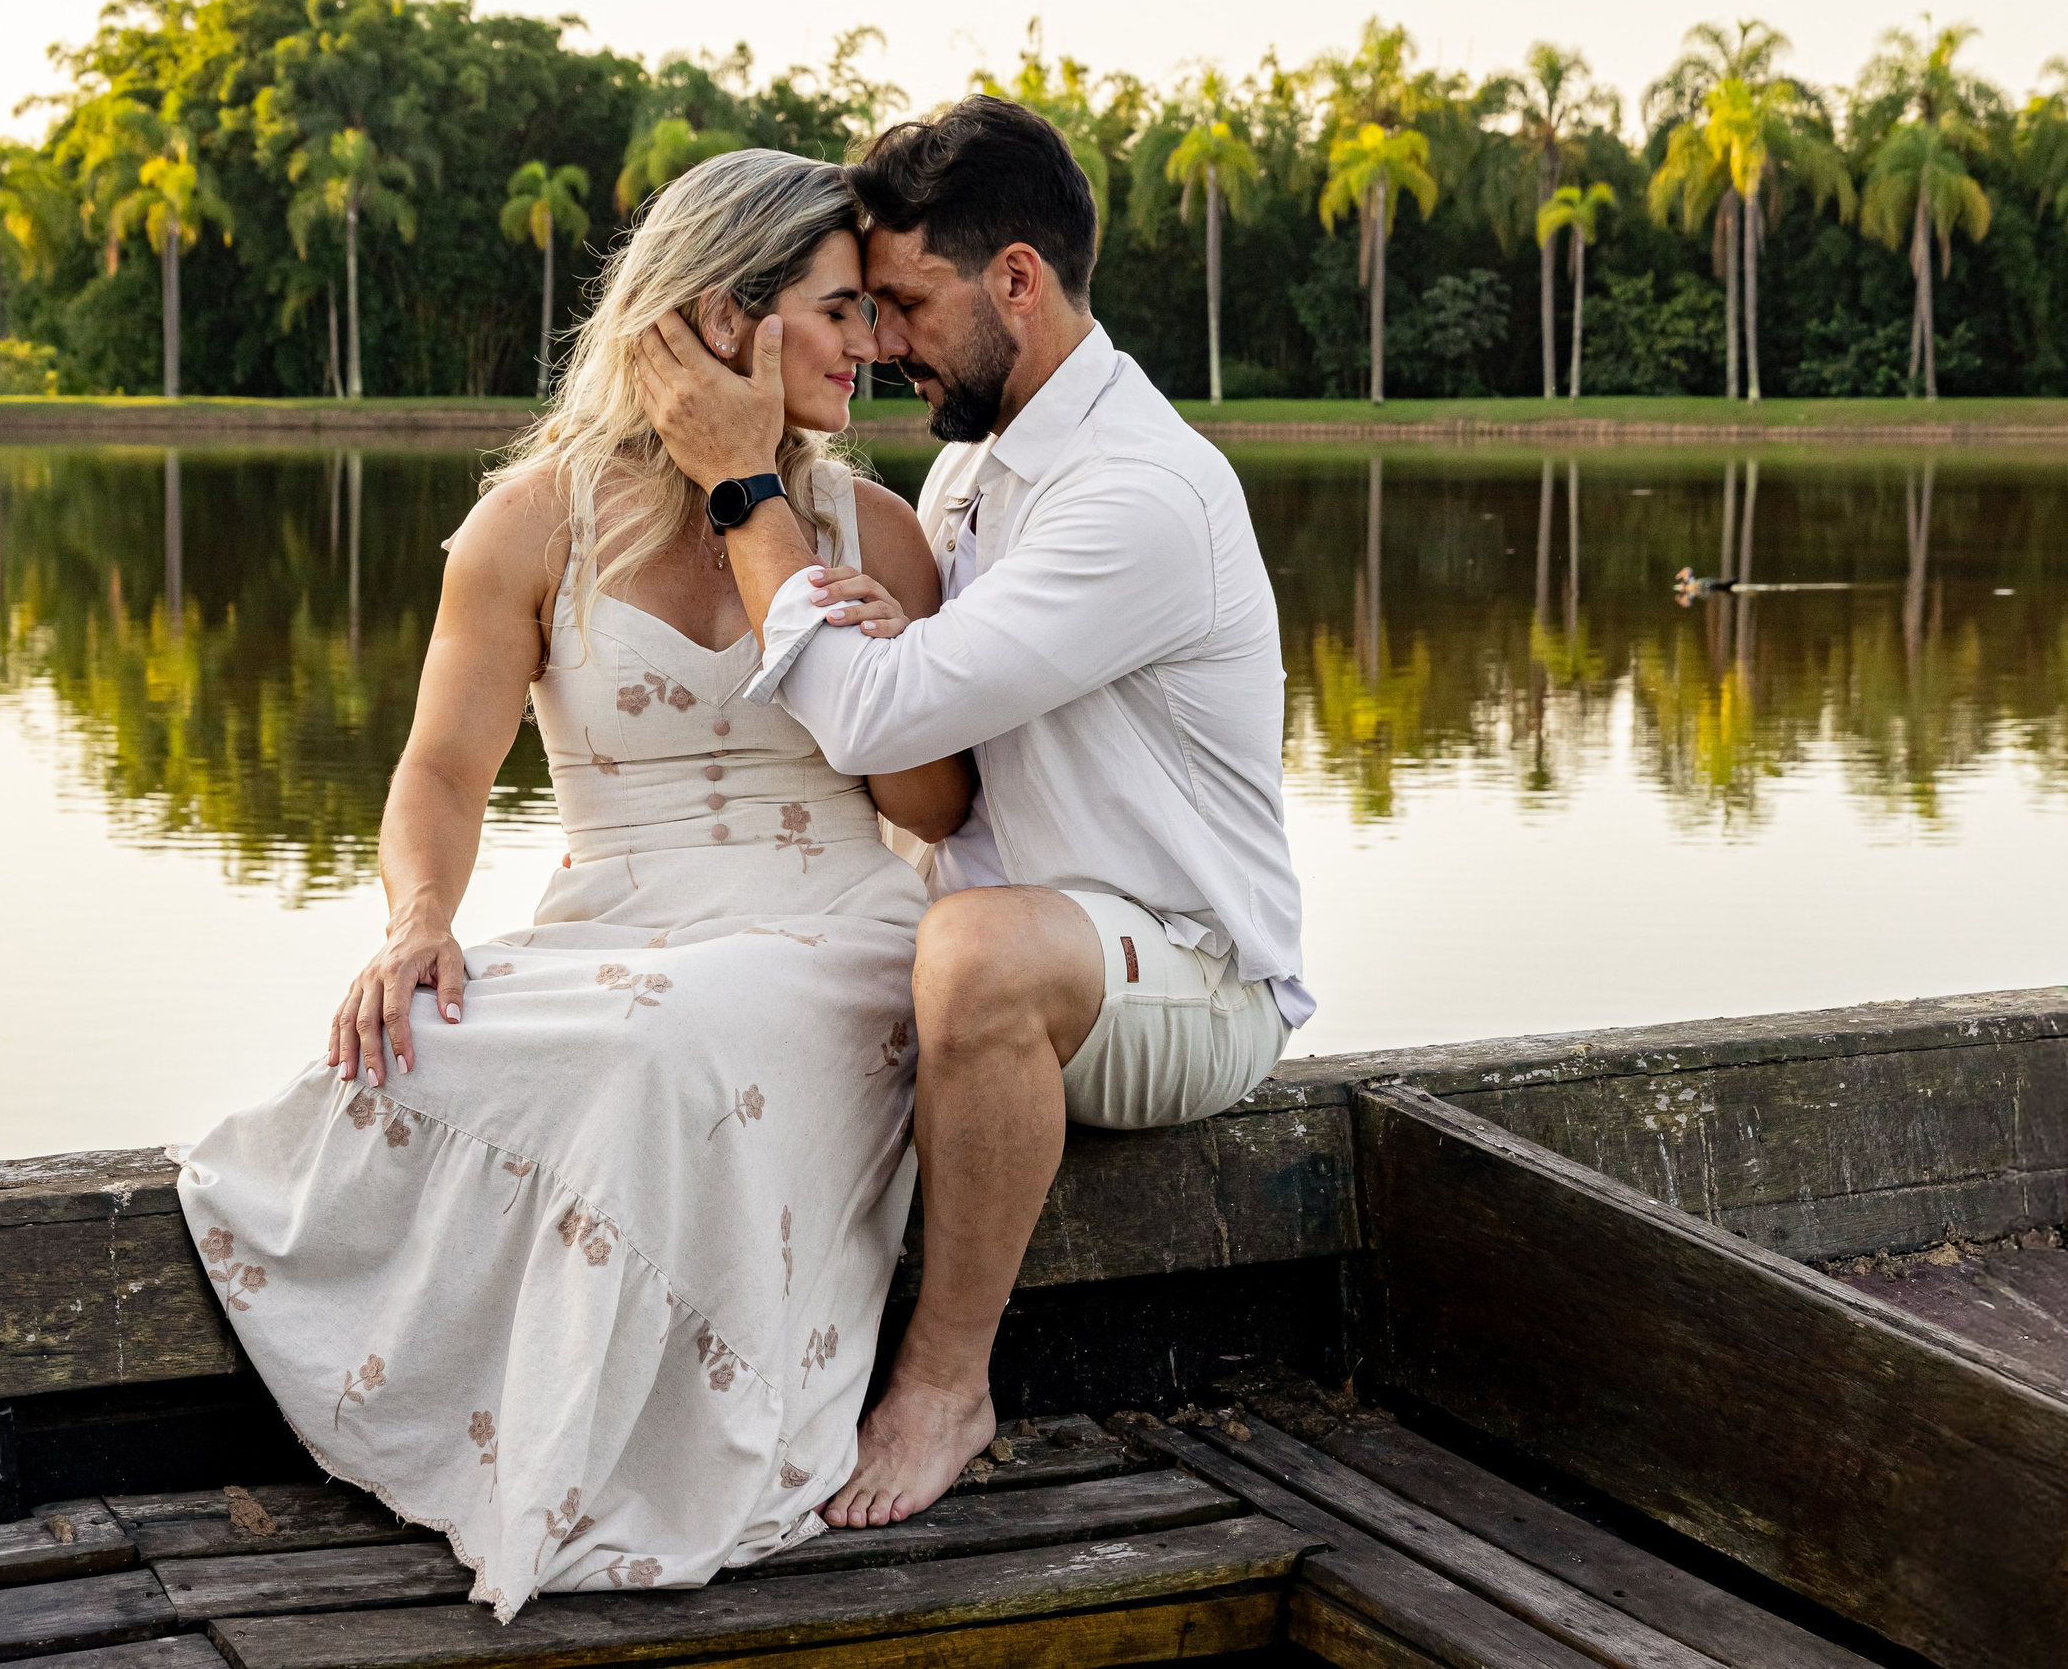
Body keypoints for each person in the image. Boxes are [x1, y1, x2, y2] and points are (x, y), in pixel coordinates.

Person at [173, 149, 972, 1623]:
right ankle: (501, 1432)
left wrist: (872, 657)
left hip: (830, 924)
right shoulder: (534, 522)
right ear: (725, 318)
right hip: (618, 924)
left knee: (668, 1045)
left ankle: (656, 1460)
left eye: (873, 312)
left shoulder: (877, 531)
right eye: (840, 309)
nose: (871, 345)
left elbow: (935, 811)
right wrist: (418, 922)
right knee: (409, 1046)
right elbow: (441, 771)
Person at [635, 94, 1314, 1532]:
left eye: (903, 303)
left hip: (1184, 975)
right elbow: (914, 727)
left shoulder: (1136, 495)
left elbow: (875, 718)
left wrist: (742, 486)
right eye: (862, 309)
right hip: (992, 940)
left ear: (1015, 280)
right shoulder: (972, 472)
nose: (880, 342)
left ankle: (947, 1383)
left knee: (977, 953)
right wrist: (887, 632)